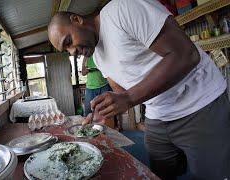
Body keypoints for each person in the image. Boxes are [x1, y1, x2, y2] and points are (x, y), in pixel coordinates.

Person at [47, 0, 230, 179]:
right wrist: (106, 110)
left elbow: (185, 54)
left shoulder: (122, 10)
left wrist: (127, 98)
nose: (72, 52)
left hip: (199, 103)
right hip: (158, 113)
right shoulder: (100, 58)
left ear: (77, 20)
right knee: (158, 172)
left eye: (69, 41)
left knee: (214, 173)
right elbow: (121, 94)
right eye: (66, 50)